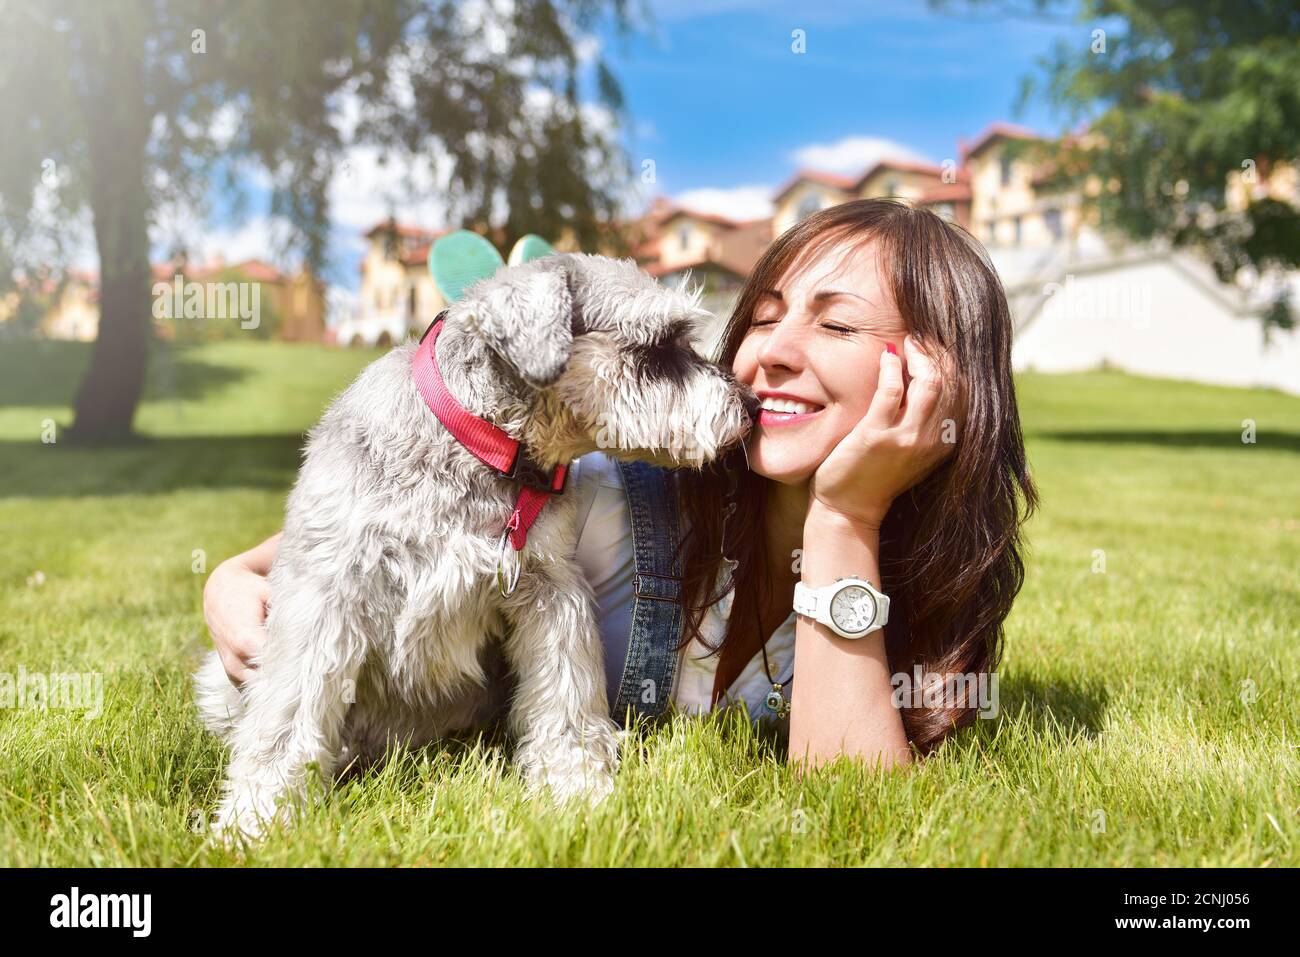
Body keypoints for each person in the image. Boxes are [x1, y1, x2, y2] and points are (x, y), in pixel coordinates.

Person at [203, 198, 1037, 770]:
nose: (767, 355)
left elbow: (854, 803)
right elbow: (300, 556)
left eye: (837, 322)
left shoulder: (923, 584)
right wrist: (227, 580)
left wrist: (844, 522)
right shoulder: (597, 487)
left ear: (943, 377)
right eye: (768, 312)